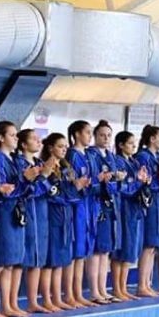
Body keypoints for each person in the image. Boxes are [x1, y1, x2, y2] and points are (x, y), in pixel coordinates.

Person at [0, 121, 33, 317]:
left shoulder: (12, 159)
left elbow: (20, 187)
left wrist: (29, 179)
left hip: (14, 211)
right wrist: (24, 180)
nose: (16, 138)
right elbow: (4, 188)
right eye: (12, 135)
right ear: (1, 137)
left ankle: (9, 304)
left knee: (11, 263)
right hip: (2, 212)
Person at [14, 129, 57, 312]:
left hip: (42, 212)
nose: (38, 141)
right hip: (28, 211)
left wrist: (47, 178)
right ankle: (22, 302)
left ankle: (35, 300)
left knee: (39, 258)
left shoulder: (40, 162)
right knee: (26, 258)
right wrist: (44, 177)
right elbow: (28, 190)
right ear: (23, 144)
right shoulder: (19, 163)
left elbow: (49, 189)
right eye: (33, 139)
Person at [42, 133, 82, 309]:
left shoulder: (66, 167)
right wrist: (69, 194)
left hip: (66, 215)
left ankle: (58, 298)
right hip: (53, 215)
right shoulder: (47, 167)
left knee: (61, 260)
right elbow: (53, 194)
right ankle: (47, 299)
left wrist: (73, 191)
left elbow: (72, 194)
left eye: (65, 146)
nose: (64, 149)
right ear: (50, 148)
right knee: (51, 261)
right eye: (60, 146)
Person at [111, 131, 148, 301]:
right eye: (130, 143)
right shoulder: (118, 162)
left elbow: (136, 182)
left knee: (130, 247)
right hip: (123, 207)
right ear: (120, 145)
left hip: (134, 208)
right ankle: (117, 288)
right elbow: (123, 187)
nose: (134, 146)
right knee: (122, 249)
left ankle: (123, 287)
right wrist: (138, 181)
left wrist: (144, 180)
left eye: (134, 143)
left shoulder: (133, 161)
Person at [88, 121, 120, 303]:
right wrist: (104, 180)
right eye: (102, 135)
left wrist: (116, 178)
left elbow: (114, 182)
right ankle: (94, 291)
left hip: (109, 205)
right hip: (97, 205)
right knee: (97, 250)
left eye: (108, 135)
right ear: (95, 136)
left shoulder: (110, 155)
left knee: (105, 250)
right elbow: (95, 180)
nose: (106, 139)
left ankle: (103, 289)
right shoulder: (92, 155)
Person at [65, 121, 96, 307]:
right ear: (77, 134)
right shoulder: (72, 155)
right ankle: (69, 294)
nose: (89, 136)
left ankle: (77, 293)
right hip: (77, 206)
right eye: (87, 132)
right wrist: (81, 185)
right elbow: (72, 184)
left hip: (88, 204)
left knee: (83, 251)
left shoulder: (89, 155)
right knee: (75, 251)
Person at [134, 125, 159, 297]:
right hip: (150, 200)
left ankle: (147, 283)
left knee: (154, 245)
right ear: (152, 139)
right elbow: (148, 181)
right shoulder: (143, 156)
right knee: (148, 243)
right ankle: (141, 284)